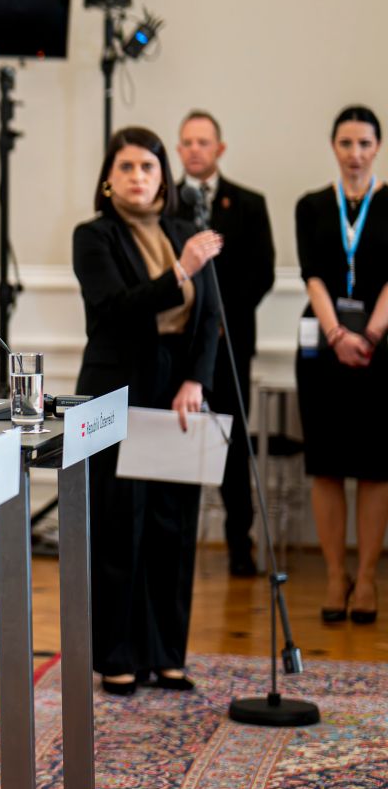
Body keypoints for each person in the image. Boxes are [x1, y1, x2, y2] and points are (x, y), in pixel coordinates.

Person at [73, 126, 222, 695]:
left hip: (178, 393)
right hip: (117, 394)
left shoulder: (186, 232)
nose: (139, 176)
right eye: (128, 167)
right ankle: (116, 654)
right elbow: (116, 310)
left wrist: (196, 380)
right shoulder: (93, 236)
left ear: (164, 179)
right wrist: (180, 271)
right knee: (118, 525)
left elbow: (208, 319)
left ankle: (167, 654)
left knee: (172, 524)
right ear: (109, 179)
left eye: (149, 167)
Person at [294, 105, 388, 625]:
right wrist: (337, 335)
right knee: (326, 463)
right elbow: (314, 276)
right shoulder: (311, 205)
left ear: (377, 148)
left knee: (376, 467)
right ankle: (335, 574)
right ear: (333, 146)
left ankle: (368, 576)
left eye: (365, 144)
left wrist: (370, 334)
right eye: (346, 143)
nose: (355, 154)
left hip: (381, 345)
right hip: (324, 344)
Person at [172, 110, 275, 577]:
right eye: (187, 142)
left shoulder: (248, 204)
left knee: (232, 444)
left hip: (231, 344)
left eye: (203, 142)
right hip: (179, 345)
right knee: (177, 440)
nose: (194, 149)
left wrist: (218, 320)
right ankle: (175, 540)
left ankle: (240, 542)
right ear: (178, 150)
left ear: (220, 149)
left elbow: (262, 272)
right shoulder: (163, 203)